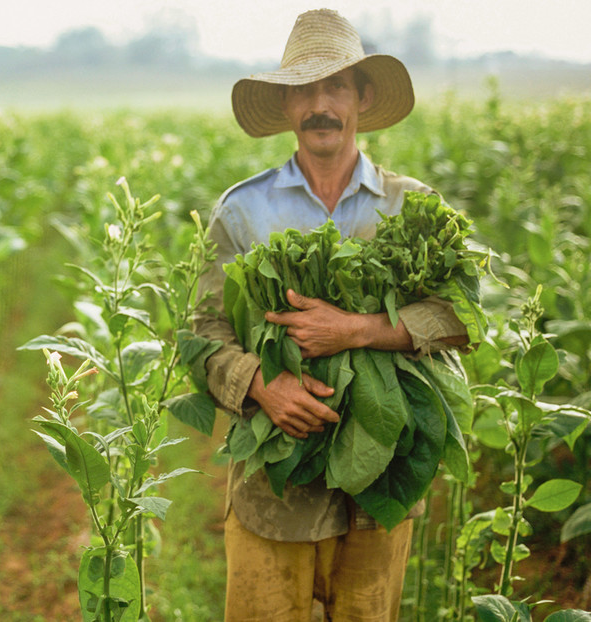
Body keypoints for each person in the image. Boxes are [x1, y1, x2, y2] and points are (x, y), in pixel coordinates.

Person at [193, 9, 470, 622]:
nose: (321, 105)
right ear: (288, 106)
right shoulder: (241, 210)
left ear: (362, 98)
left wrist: (359, 328)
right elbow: (204, 331)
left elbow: (459, 320)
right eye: (305, 90)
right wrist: (263, 385)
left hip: (381, 485)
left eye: (336, 87)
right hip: (276, 483)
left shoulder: (415, 206)